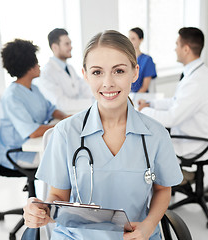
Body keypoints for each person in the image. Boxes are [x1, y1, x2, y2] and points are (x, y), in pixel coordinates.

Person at [23, 30, 183, 239]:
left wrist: (149, 225)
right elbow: (57, 199)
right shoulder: (65, 132)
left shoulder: (156, 134)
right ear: (86, 75)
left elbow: (163, 189)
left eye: (118, 71)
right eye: (97, 72)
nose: (108, 82)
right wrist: (40, 212)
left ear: (135, 73)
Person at [138, 27, 208, 184]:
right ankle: (180, 175)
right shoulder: (197, 73)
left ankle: (171, 181)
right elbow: (177, 101)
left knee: (148, 141)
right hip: (197, 130)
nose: (174, 48)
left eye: (177, 44)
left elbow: (172, 118)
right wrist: (152, 104)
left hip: (197, 140)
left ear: (186, 49)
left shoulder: (196, 81)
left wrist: (144, 111)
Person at [0, 39, 69, 170]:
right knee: (67, 158)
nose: (39, 66)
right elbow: (33, 132)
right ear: (28, 68)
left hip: (36, 144)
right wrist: (64, 125)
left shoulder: (33, 88)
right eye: (36, 62)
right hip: (22, 153)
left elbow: (51, 110)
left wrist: (66, 117)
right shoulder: (12, 96)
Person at [34, 28, 93, 114]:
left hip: (77, 113)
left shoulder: (70, 68)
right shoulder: (47, 73)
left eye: (70, 43)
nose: (71, 47)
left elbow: (85, 89)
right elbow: (61, 104)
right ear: (55, 47)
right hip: (63, 119)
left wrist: (100, 97)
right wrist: (92, 102)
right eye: (67, 44)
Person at [128, 27, 157, 93]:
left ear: (141, 40)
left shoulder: (147, 60)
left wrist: (131, 101)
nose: (130, 41)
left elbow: (144, 87)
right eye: (128, 38)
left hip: (139, 98)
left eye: (133, 39)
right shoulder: (125, 59)